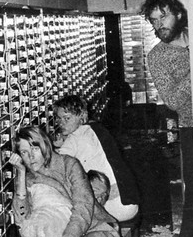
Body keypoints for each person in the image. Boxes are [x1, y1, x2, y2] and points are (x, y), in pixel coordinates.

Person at [141, 0, 193, 237]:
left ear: (178, 14)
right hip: (192, 129)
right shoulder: (158, 56)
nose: (158, 24)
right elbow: (174, 101)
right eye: (153, 20)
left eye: (163, 16)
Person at [53, 94, 140, 222]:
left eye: (67, 118)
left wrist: (49, 147)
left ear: (81, 117)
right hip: (129, 202)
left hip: (112, 208)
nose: (61, 123)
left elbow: (55, 166)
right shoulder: (96, 128)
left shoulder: (74, 138)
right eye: (59, 119)